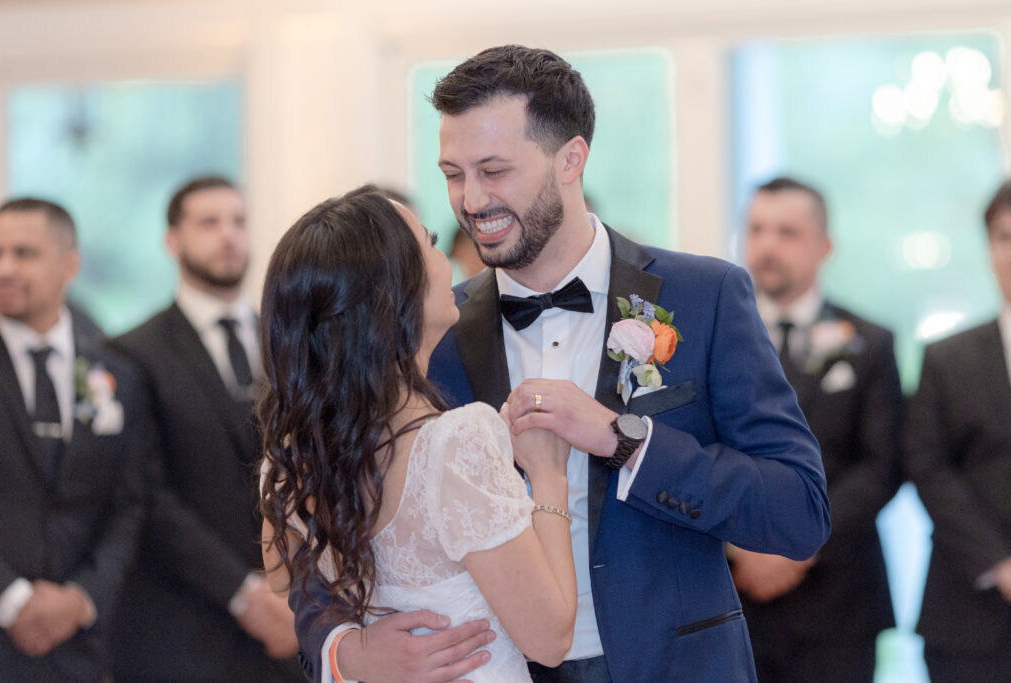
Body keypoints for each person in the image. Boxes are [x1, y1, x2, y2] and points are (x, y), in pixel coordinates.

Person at [291, 45, 830, 683]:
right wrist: (342, 650)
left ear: (570, 159)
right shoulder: (427, 326)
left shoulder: (703, 296)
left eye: (494, 170)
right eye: (453, 174)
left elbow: (799, 510)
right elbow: (320, 500)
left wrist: (622, 438)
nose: (470, 200)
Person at [259, 185, 579, 683]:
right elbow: (551, 638)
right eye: (429, 241)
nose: (447, 253)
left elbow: (283, 576)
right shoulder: (454, 442)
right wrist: (549, 474)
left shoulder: (297, 452)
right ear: (394, 290)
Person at [108, 176, 302, 681]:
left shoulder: (287, 340)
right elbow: (146, 493)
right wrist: (245, 594)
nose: (228, 236)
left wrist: (291, 591)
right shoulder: (133, 352)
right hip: (185, 625)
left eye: (238, 221)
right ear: (172, 241)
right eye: (208, 223)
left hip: (295, 616)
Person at [734, 177, 901, 681]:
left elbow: (883, 465)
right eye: (757, 229)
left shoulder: (869, 343)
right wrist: (738, 545)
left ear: (824, 246)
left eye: (787, 232)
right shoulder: (710, 338)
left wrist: (798, 547)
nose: (767, 245)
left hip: (838, 598)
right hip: (731, 594)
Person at [0, 198, 148, 681]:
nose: (4, 268)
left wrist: (82, 599)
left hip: (82, 646)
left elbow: (132, 501)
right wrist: (11, 600)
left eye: (24, 253)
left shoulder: (113, 367)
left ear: (70, 265)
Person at [904, 179, 1011, 681]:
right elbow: (927, 466)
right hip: (967, 616)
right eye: (1005, 237)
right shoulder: (946, 359)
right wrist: (997, 561)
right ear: (989, 247)